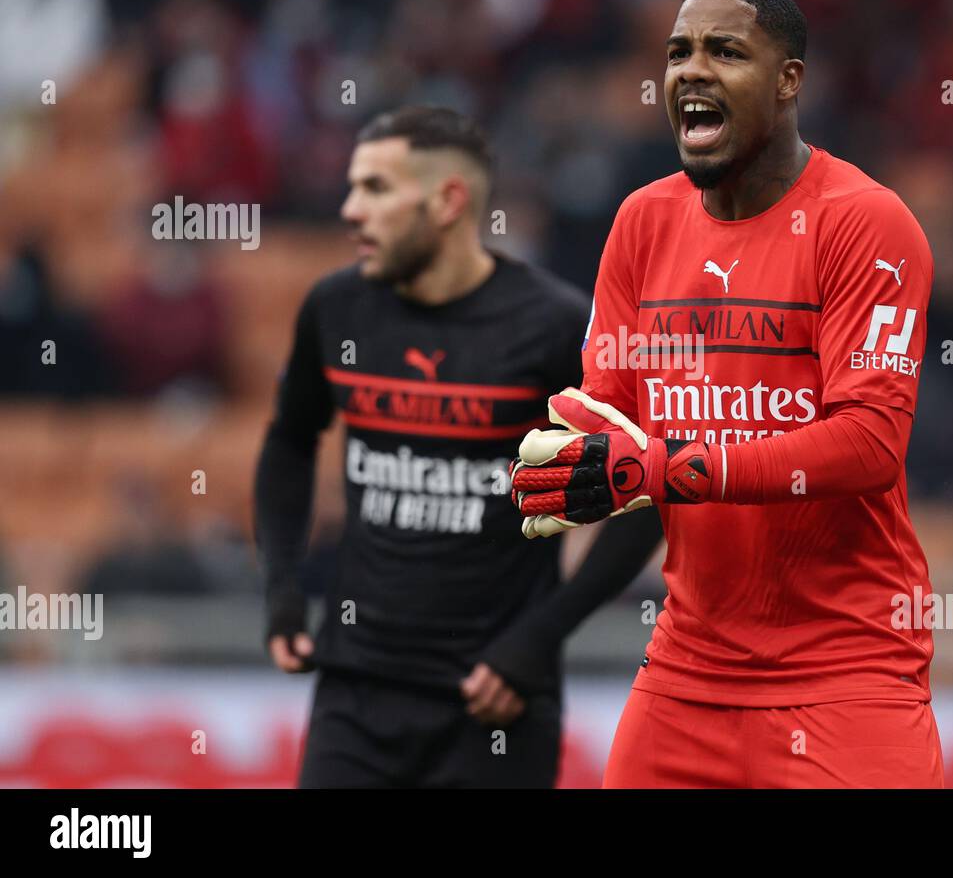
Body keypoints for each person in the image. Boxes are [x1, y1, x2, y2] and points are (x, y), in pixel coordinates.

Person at [511, 0, 943, 787]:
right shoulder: (643, 219)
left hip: (846, 674)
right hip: (687, 675)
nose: (692, 71)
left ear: (789, 81)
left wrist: (664, 467)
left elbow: (869, 444)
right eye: (679, 53)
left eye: (726, 51)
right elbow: (610, 410)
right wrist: (559, 449)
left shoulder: (866, 221)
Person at [254, 105, 658, 788]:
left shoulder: (555, 325)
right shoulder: (336, 308)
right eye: (353, 187)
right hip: (355, 694)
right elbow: (290, 442)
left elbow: (647, 488)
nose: (351, 210)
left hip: (493, 699)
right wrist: (283, 591)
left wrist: (539, 637)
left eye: (377, 189)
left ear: (449, 200)